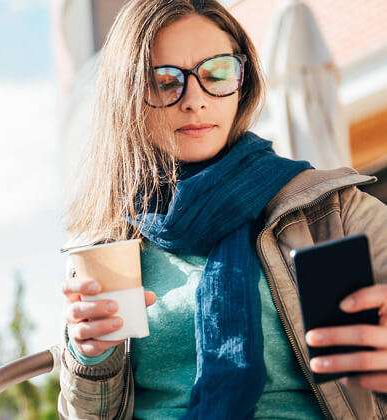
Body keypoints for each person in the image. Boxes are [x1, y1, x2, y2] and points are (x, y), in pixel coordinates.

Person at [58, 0, 387, 419]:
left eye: (216, 73)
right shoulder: (106, 240)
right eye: (164, 81)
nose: (194, 101)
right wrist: (90, 357)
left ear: (242, 81)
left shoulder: (329, 207)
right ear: (128, 97)